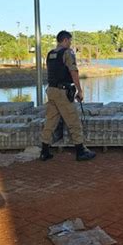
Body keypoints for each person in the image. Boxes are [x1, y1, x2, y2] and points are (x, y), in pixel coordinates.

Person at [40, 30, 96, 161]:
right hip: (62, 92)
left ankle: (44, 151)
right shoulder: (67, 53)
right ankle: (80, 151)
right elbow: (73, 71)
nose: (71, 44)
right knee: (74, 121)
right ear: (65, 40)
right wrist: (79, 90)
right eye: (70, 41)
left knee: (50, 121)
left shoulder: (50, 54)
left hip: (51, 91)